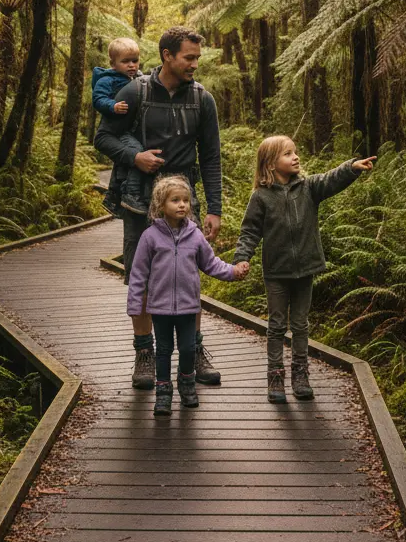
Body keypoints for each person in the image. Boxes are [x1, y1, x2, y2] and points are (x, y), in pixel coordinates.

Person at [95, 26, 225, 390]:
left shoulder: (202, 100)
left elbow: (211, 157)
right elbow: (103, 137)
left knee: (188, 276)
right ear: (167, 56)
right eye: (189, 57)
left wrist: (214, 208)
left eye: (197, 58)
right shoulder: (134, 92)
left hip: (184, 202)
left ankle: (193, 353)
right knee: (140, 278)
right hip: (140, 201)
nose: (194, 65)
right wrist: (134, 156)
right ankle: (144, 354)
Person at [234, 136, 375, 404]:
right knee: (276, 325)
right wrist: (242, 258)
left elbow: (331, 179)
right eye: (288, 154)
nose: (296, 157)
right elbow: (249, 231)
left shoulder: (308, 188)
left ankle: (300, 374)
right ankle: (275, 376)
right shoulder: (261, 197)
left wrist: (351, 167)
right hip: (276, 272)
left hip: (305, 269)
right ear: (270, 164)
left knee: (300, 325)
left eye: (295, 152)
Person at [127, 176, 249, 416]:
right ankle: (163, 393)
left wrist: (233, 272)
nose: (182, 204)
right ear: (161, 205)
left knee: (188, 348)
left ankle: (187, 385)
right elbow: (138, 274)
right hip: (160, 309)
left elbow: (211, 264)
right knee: (163, 350)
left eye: (185, 200)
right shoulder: (150, 237)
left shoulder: (195, 236)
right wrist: (134, 304)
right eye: (175, 200)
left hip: (188, 307)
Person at [90, 37, 147, 215]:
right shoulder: (107, 80)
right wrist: (112, 106)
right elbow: (98, 99)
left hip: (132, 128)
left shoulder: (138, 78)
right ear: (113, 64)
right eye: (125, 61)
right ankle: (131, 194)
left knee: (122, 163)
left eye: (135, 61)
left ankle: (112, 196)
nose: (131, 65)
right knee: (136, 153)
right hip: (118, 129)